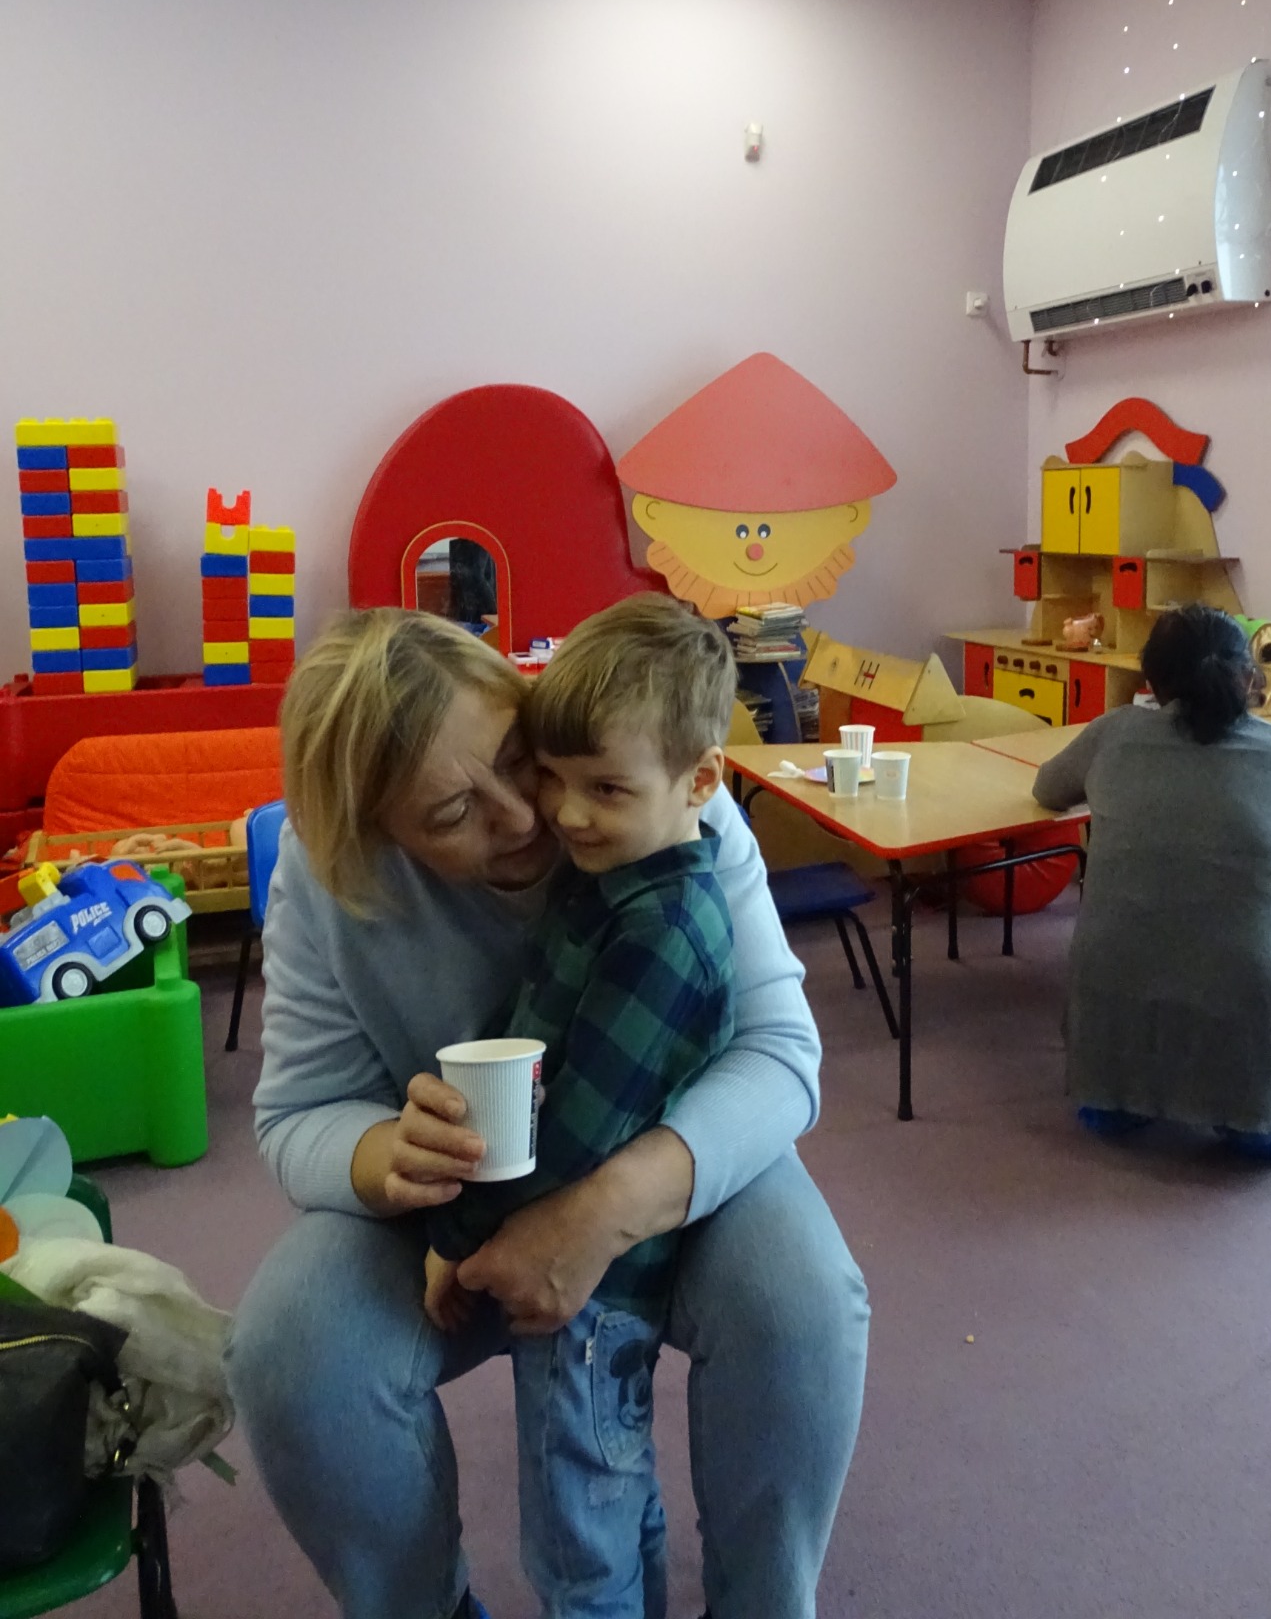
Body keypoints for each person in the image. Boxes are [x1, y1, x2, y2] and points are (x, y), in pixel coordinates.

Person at [225, 605, 868, 1619]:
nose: (529, 818)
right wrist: (387, 1152)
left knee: (803, 1306)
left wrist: (602, 1210)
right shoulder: (326, 874)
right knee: (291, 1347)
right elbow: (297, 1117)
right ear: (377, 833)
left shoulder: (657, 795)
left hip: (664, 1151)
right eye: (451, 814)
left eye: (517, 759)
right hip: (456, 1205)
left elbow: (782, 1056)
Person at [424, 597, 738, 1619]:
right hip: (590, 1280)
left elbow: (571, 1137)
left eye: (606, 788)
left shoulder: (661, 928)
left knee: (577, 1541)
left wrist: (456, 1237)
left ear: (701, 781)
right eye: (553, 778)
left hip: (594, 1292)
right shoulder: (610, 875)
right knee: (615, 1495)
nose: (564, 815)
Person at [1032, 604, 1271, 1165]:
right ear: (1250, 677)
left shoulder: (1113, 733)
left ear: (1151, 682)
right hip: (1249, 991)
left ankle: (1119, 1098)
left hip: (1112, 979)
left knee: (1149, 951)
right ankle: (1255, 1111)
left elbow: (1047, 789)